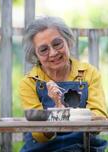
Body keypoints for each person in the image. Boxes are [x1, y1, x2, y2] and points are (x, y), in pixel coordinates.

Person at [19, 16, 108, 152]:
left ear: (68, 42)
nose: (53, 53)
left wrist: (56, 114)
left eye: (57, 44)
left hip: (83, 147)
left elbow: (99, 118)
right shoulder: (29, 82)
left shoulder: (89, 73)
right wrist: (58, 109)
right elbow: (38, 133)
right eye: (44, 50)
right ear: (36, 55)